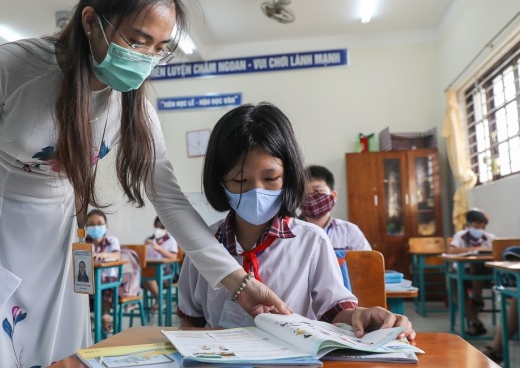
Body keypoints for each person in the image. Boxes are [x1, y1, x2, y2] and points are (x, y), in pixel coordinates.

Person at [0, 0, 289, 368]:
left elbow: (170, 201)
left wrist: (239, 283)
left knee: (59, 362)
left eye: (159, 48)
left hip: (60, 238)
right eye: (138, 40)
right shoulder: (13, 67)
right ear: (90, 22)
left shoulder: (134, 108)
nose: (145, 58)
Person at [178, 103, 415, 341]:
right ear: (220, 182)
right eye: (240, 181)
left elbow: (335, 310)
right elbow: (190, 321)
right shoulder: (202, 245)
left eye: (271, 178)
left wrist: (360, 316)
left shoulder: (311, 240)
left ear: (289, 176)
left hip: (295, 367)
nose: (256, 192)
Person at [448, 209, 495, 336]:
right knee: (455, 292)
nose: (480, 228)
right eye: (476, 225)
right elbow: (451, 250)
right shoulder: (461, 235)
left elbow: (497, 250)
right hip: (461, 274)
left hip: (484, 275)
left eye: (482, 225)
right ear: (469, 224)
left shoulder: (490, 238)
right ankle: (477, 321)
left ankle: (477, 302)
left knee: (476, 268)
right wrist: (476, 249)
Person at [301, 165, 371, 251]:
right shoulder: (292, 231)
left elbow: (368, 262)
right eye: (304, 192)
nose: (310, 197)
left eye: (317, 191)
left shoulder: (349, 231)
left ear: (333, 196)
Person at [85, 209, 120, 332]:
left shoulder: (112, 241)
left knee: (103, 291)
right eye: (91, 224)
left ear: (106, 225)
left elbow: (117, 256)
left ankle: (103, 315)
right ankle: (101, 317)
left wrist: (104, 255)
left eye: (99, 223)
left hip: (108, 282)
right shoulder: (83, 243)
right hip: (88, 282)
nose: (95, 227)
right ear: (86, 226)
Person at [142, 216, 178, 311]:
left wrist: (159, 248)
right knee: (142, 275)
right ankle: (160, 298)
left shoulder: (171, 240)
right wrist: (144, 247)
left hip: (167, 272)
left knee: (148, 276)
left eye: (162, 227)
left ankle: (159, 299)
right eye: (157, 227)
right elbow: (143, 257)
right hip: (151, 269)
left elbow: (173, 257)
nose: (159, 229)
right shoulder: (149, 240)